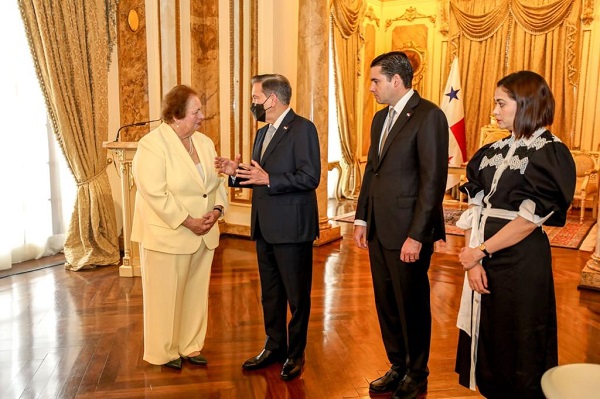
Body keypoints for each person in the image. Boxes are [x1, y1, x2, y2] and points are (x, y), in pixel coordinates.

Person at [454, 71, 576, 398]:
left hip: (521, 261)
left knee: (520, 334)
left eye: (500, 103)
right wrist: (473, 259)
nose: (494, 111)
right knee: (491, 332)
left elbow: (528, 220)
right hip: (484, 256)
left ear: (526, 104)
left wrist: (479, 252)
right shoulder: (491, 151)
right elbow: (475, 209)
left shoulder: (550, 152)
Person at [353, 51, 449, 399]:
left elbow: (432, 181)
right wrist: (362, 217)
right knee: (387, 302)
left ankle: (417, 372)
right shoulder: (380, 119)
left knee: (411, 303)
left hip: (409, 232)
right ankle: (396, 364)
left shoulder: (430, 116)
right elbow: (371, 171)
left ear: (397, 80)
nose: (371, 87)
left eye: (375, 80)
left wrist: (417, 236)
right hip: (379, 228)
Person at [214, 74, 320, 381]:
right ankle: (274, 346)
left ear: (272, 99)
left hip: (292, 228)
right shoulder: (262, 133)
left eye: (255, 98)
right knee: (270, 294)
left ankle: (296, 353)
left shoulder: (303, 129)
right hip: (264, 227)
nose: (253, 104)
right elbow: (256, 174)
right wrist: (235, 172)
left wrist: (270, 179)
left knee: (297, 297)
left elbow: (310, 177)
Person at [131, 84, 227, 370]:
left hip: (204, 233)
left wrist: (217, 211)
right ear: (175, 115)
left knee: (195, 293)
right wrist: (189, 221)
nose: (202, 116)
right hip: (168, 234)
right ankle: (164, 351)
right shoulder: (152, 145)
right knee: (164, 296)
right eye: (196, 111)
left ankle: (190, 345)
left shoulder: (205, 143)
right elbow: (155, 193)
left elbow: (217, 182)